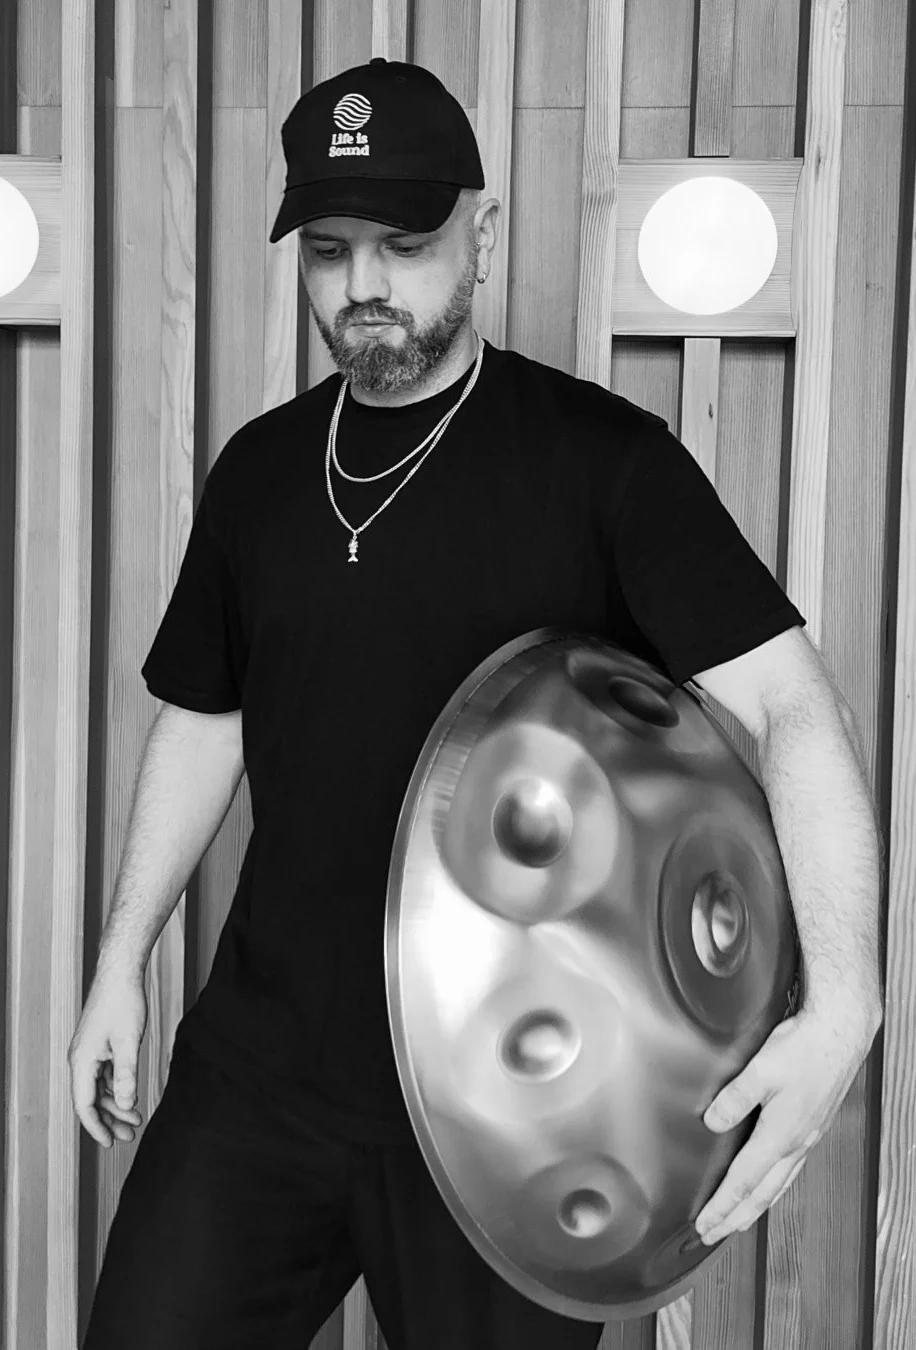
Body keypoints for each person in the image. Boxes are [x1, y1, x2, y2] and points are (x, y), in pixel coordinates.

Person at [72, 58, 880, 1350]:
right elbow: (204, 716)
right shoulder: (262, 473)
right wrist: (122, 963)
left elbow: (789, 703)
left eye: (408, 241)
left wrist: (843, 1002)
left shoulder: (606, 465)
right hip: (261, 1072)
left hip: (514, 1112)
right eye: (330, 250)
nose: (365, 286)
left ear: (484, 235)